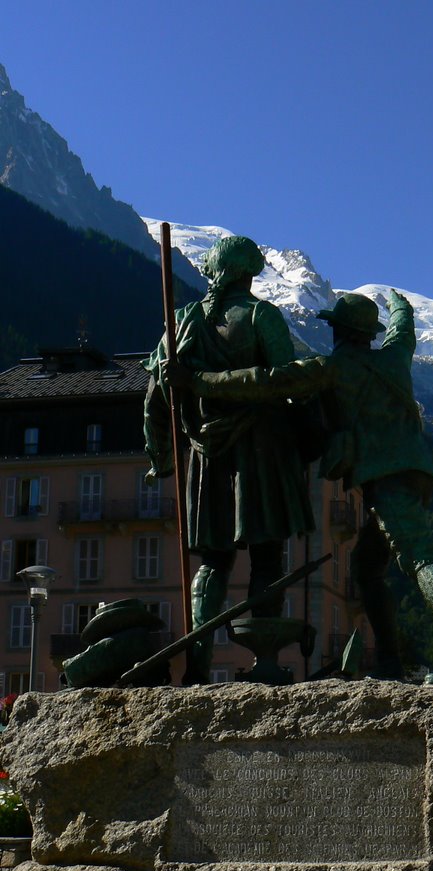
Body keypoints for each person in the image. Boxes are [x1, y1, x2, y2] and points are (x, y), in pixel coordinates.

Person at [164, 288, 433, 688]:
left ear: (337, 330)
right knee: (367, 567)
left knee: (418, 557)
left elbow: (264, 381)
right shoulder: (394, 358)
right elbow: (405, 327)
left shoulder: (330, 369)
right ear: (370, 334)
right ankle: (389, 660)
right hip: (418, 471)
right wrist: (398, 303)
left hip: (387, 476)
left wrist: (197, 381)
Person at [144, 235, 314, 683]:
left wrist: (160, 455)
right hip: (262, 450)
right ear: (247, 273)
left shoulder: (181, 321)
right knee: (267, 557)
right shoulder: (262, 316)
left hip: (206, 457)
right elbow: (285, 383)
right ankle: (265, 663)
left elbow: (156, 397)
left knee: (213, 563)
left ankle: (197, 668)